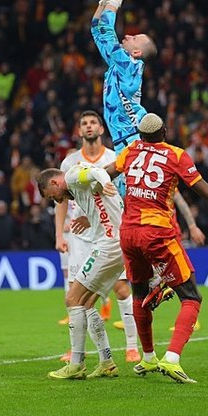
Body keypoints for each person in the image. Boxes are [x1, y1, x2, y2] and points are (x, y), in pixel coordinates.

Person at [91, 0, 206, 325]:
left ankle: (168, 279)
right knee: (136, 215)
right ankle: (157, 277)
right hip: (126, 143)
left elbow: (104, 30)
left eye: (133, 38)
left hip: (134, 142)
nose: (127, 36)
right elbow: (98, 27)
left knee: (142, 213)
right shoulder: (121, 64)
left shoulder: (127, 64)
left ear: (136, 52)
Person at [104, 113, 208, 383]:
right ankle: (172, 358)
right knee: (191, 296)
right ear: (164, 132)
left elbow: (104, 174)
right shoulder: (176, 155)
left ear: (141, 135)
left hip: (128, 233)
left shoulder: (130, 151)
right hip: (157, 233)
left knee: (139, 294)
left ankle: (148, 357)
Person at [53, 111, 140, 363]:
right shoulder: (69, 162)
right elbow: (61, 201)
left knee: (121, 288)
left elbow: (120, 196)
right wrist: (59, 234)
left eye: (93, 122)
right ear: (79, 131)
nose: (88, 126)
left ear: (102, 129)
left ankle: (132, 346)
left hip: (107, 231)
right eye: (84, 123)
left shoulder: (113, 158)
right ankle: (78, 349)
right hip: (79, 236)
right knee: (76, 293)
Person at [38, 161, 125, 380]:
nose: (58, 201)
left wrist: (106, 182)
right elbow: (97, 192)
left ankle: (76, 364)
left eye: (53, 196)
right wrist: (89, 217)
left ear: (55, 182)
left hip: (108, 246)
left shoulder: (72, 176)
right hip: (118, 244)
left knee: (72, 299)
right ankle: (107, 362)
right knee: (86, 304)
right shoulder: (78, 189)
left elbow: (96, 172)